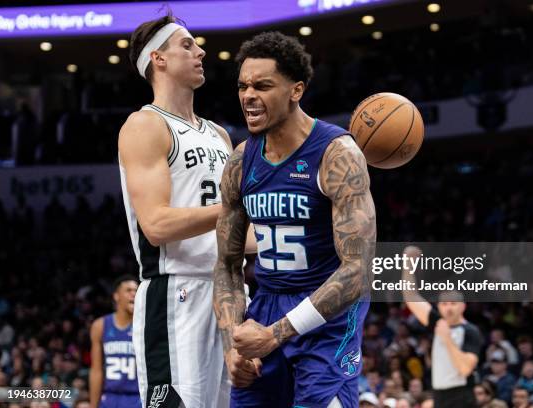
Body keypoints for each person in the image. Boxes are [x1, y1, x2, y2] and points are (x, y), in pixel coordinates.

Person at [213, 31, 376, 407]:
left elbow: (358, 270)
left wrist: (276, 335)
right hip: (266, 305)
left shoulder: (337, 154)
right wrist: (233, 344)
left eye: (263, 85)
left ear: (296, 90)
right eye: (243, 86)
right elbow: (226, 265)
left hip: (326, 316)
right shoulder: (239, 162)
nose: (248, 96)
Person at [119, 13, 254, 408]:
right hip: (175, 296)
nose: (200, 51)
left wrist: (298, 232)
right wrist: (231, 207)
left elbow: (238, 234)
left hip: (229, 293)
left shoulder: (218, 134)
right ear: (158, 59)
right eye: (187, 45)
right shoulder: (145, 125)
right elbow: (156, 225)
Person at [401, 246, 483, 408]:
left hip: (462, 396)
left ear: (463, 307)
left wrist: (447, 338)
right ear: (439, 307)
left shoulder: (470, 331)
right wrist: (408, 266)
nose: (449, 308)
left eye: (453, 304)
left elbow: (465, 368)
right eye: (444, 304)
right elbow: (411, 297)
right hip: (439, 395)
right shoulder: (438, 323)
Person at [89, 275, 139, 408]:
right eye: (128, 290)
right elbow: (96, 371)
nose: (133, 294)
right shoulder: (100, 326)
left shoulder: (145, 326)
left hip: (138, 397)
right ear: (116, 296)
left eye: (136, 290)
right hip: (109, 397)